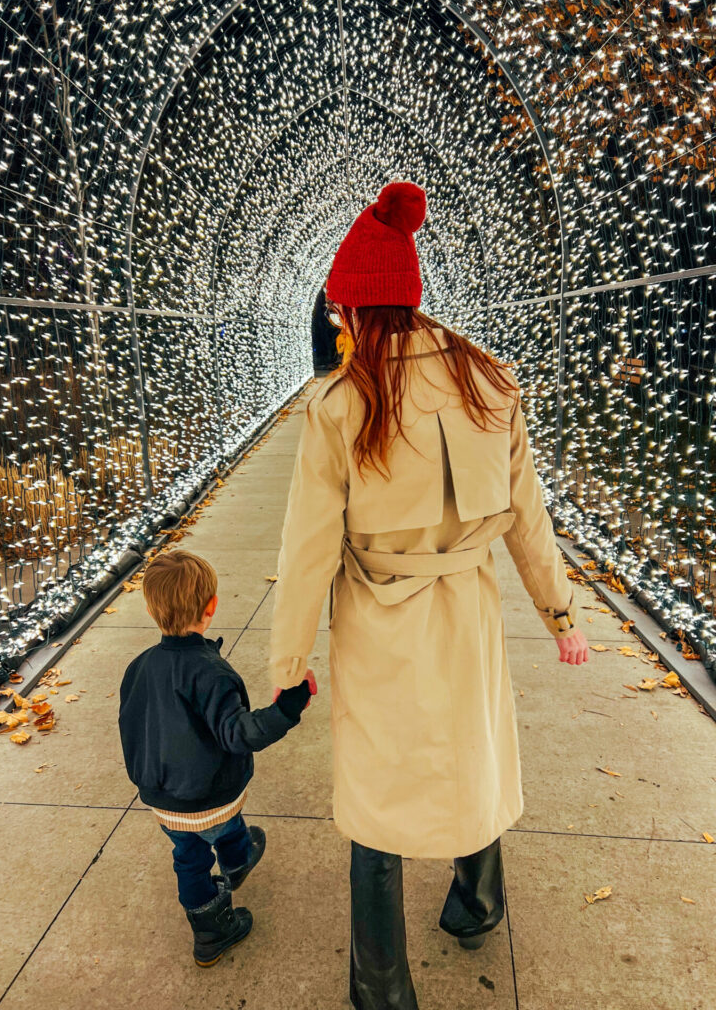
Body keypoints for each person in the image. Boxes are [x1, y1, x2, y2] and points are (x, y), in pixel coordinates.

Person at [269, 181, 590, 1009]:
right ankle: (478, 904)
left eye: (341, 310)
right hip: (470, 609)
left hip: (382, 617)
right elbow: (527, 512)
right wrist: (559, 613)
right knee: (468, 754)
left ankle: (382, 990)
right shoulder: (487, 380)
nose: (337, 322)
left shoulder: (342, 404)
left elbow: (307, 547)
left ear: (358, 309)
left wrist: (287, 660)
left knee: (379, 795)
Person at [118, 549, 315, 968]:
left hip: (162, 798)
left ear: (153, 609)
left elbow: (131, 724)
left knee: (188, 857)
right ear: (212, 607)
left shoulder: (138, 667)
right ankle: (230, 881)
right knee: (222, 821)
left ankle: (208, 922)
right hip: (212, 795)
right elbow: (239, 734)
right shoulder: (211, 672)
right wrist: (287, 708)